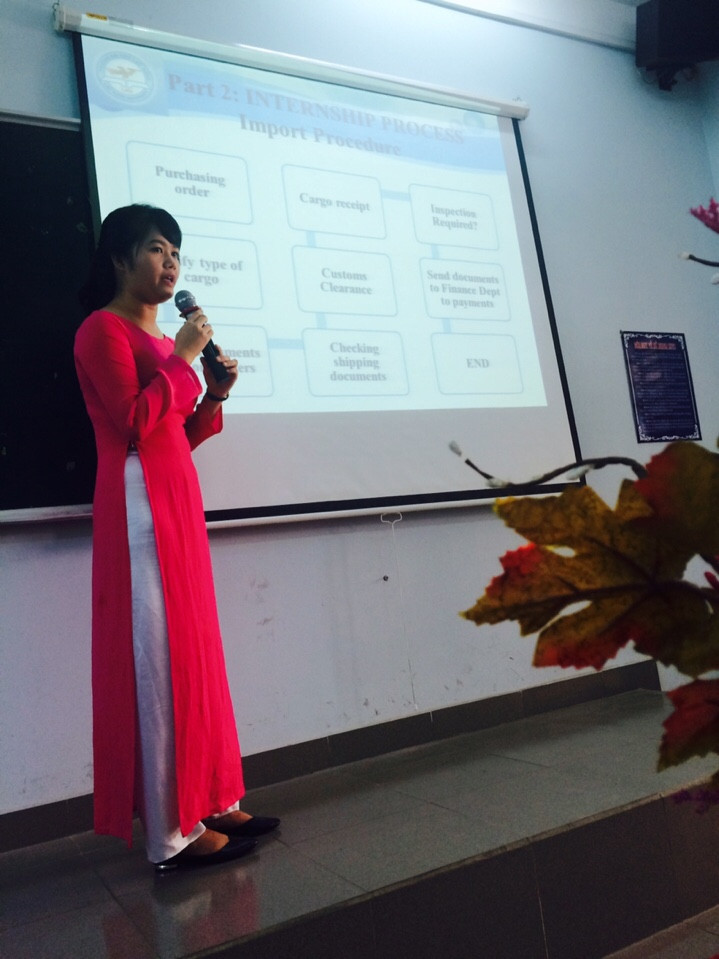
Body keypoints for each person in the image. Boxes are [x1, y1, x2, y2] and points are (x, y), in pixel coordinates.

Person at [74, 204, 279, 871]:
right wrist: (186, 358)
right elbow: (134, 423)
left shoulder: (166, 343)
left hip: (176, 500)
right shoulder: (101, 330)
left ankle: (212, 800)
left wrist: (212, 394)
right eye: (157, 249)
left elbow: (175, 437)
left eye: (176, 253)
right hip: (137, 508)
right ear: (120, 259)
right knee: (159, 663)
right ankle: (171, 833)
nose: (171, 264)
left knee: (195, 654)